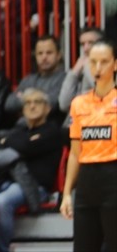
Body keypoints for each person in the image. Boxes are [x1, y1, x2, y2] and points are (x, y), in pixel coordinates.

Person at [0, 88, 64, 252]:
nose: (32, 106)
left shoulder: (52, 131)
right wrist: (15, 143)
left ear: (47, 108)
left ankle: (1, 249)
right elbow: (17, 145)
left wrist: (8, 143)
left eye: (37, 102)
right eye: (28, 103)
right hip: (5, 182)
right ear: (22, 110)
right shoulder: (19, 132)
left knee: (2, 201)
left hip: (35, 187)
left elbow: (26, 146)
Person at [62, 38, 117, 251]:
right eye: (93, 62)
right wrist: (67, 193)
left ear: (115, 64)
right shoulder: (79, 103)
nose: (98, 68)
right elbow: (75, 154)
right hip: (87, 182)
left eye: (104, 61)